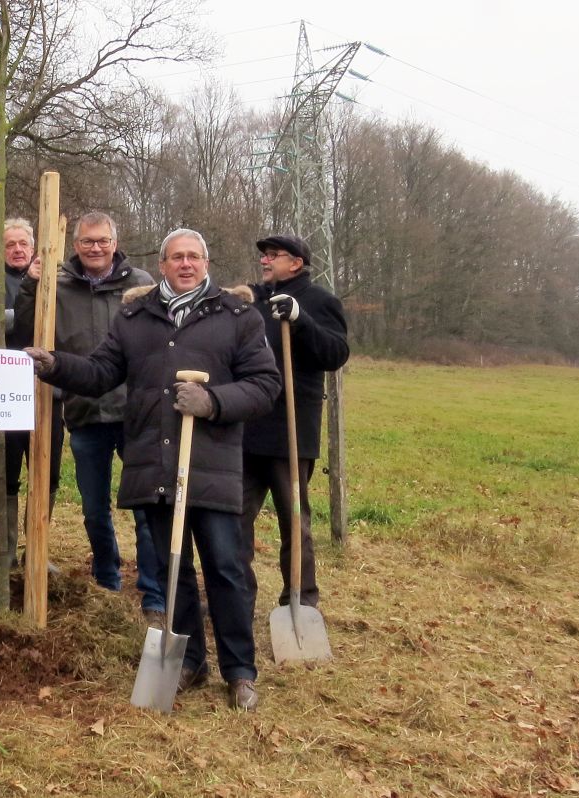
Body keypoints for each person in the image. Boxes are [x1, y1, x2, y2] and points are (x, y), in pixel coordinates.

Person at [24, 228, 281, 711]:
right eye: (176, 257)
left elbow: (266, 385)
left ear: (206, 263)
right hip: (156, 463)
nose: (186, 264)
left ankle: (240, 670)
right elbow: (101, 373)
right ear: (161, 265)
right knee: (171, 568)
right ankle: (188, 662)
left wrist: (213, 401)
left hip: (212, 465)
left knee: (226, 568)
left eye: (194, 257)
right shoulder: (134, 317)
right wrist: (54, 364)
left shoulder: (237, 317)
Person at [14, 211, 165, 623]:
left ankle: (154, 592)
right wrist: (30, 283)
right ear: (74, 245)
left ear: (115, 243)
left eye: (102, 241)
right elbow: (26, 330)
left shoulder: (141, 284)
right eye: (87, 242)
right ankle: (106, 577)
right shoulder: (56, 284)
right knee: (94, 507)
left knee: (147, 507)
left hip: (136, 414)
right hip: (83, 411)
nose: (95, 248)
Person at [240, 235, 349, 613]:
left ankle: (301, 601)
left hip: (290, 431)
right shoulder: (252, 299)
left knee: (294, 522)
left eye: (273, 256)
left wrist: (301, 319)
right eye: (264, 256)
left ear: (297, 263)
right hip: (247, 427)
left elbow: (336, 354)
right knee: (235, 519)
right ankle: (237, 598)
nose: (265, 261)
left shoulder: (319, 301)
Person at [0, 218, 63, 565]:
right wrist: (37, 304)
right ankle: (5, 550)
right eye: (9, 244)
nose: (16, 249)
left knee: (49, 471)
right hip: (5, 395)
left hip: (49, 392)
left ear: (34, 246)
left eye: (22, 243)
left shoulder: (57, 279)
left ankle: (36, 551)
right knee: (6, 471)